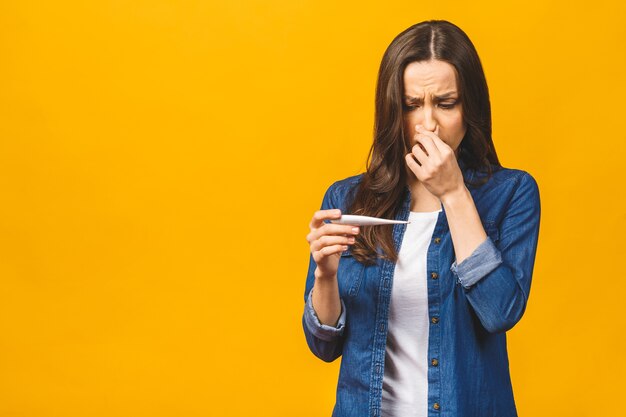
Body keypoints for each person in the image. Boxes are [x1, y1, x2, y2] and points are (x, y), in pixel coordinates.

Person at [302, 20, 541, 417]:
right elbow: (324, 345)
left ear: (470, 108)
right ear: (393, 111)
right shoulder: (347, 199)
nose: (428, 123)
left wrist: (453, 192)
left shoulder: (511, 194)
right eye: (412, 105)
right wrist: (325, 276)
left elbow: (499, 312)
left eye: (446, 103)